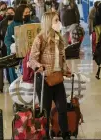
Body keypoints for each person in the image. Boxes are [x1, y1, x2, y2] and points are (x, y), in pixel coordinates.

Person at [29, 12, 71, 140]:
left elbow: (62, 59)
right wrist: (38, 66)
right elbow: (32, 59)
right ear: (48, 23)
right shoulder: (40, 39)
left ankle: (65, 134)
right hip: (44, 80)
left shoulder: (59, 38)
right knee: (45, 111)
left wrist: (66, 70)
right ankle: (45, 135)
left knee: (62, 108)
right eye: (56, 20)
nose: (59, 23)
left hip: (57, 78)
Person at [4, 5, 33, 83]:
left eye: (29, 12)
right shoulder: (12, 25)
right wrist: (12, 46)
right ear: (20, 14)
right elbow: (7, 40)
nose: (28, 14)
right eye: (26, 13)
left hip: (29, 55)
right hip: (15, 56)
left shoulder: (32, 24)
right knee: (15, 79)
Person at [0, 7, 15, 84]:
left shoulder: (17, 23)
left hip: (15, 47)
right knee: (7, 64)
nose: (9, 15)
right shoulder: (2, 23)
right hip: (5, 47)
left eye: (11, 13)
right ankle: (10, 79)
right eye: (8, 13)